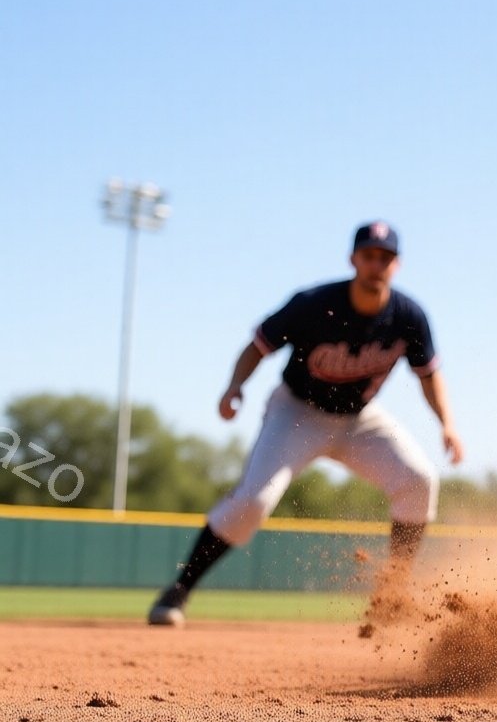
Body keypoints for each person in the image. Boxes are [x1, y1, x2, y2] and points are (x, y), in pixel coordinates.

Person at [146, 221, 464, 627]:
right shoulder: (314, 303)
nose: (376, 264)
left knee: (419, 481)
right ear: (354, 259)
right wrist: (234, 386)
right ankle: (180, 589)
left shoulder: (408, 316)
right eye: (369, 255)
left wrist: (447, 425)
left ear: (396, 264)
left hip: (359, 419)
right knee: (252, 502)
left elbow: (428, 374)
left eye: (385, 258)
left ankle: (393, 593)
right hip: (297, 414)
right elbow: (257, 346)